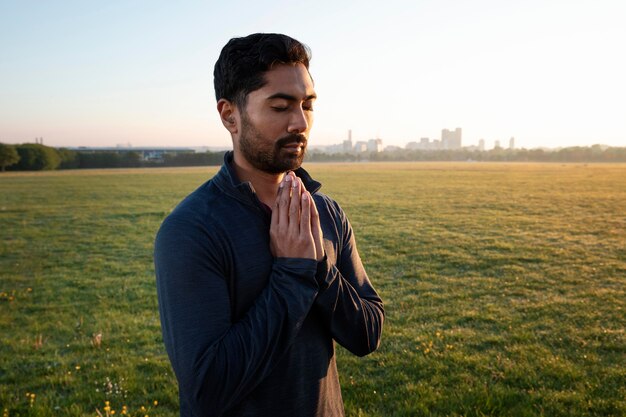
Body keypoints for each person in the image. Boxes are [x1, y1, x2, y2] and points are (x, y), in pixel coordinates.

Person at [154, 33, 384, 417]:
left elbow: (367, 334)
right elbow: (208, 390)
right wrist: (292, 276)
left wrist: (320, 269)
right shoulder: (191, 230)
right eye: (280, 107)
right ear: (230, 115)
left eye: (308, 105)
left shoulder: (325, 212)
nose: (300, 123)